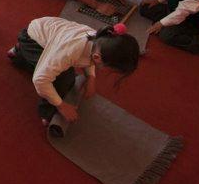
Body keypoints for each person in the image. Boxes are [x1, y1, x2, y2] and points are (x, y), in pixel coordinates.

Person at [8, 17, 140, 126]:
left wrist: (91, 77)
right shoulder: (68, 52)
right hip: (32, 40)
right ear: (97, 58)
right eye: (110, 69)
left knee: (59, 71)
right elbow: (40, 80)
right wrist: (61, 105)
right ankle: (46, 112)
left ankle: (20, 52)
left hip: (50, 34)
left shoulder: (100, 41)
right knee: (63, 78)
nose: (109, 71)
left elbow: (89, 59)